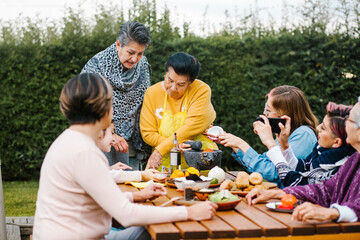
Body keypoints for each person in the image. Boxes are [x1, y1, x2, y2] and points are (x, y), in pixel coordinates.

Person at [33, 73, 217, 240]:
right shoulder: (84, 152)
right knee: (167, 232)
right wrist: (189, 212)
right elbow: (126, 215)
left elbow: (99, 198)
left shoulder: (69, 141)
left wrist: (138, 196)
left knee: (149, 230)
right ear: (102, 107)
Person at [246, 96, 360, 223]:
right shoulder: (354, 159)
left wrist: (333, 212)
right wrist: (280, 193)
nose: (318, 128)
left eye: (349, 121)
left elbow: (305, 182)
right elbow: (326, 189)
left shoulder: (344, 161)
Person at [82, 20, 152, 170]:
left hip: (133, 146)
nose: (135, 59)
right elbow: (84, 108)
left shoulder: (143, 65)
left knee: (134, 189)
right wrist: (109, 133)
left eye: (140, 53)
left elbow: (146, 102)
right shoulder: (97, 66)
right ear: (118, 45)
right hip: (101, 144)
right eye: (131, 52)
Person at [218, 85, 318, 187]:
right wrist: (234, 144)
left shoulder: (303, 135)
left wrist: (242, 145)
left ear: (284, 115)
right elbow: (261, 167)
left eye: (268, 110)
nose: (265, 114)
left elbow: (274, 173)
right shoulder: (284, 134)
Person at [140, 52, 217, 170]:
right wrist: (176, 146)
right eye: (170, 80)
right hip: (165, 165)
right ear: (165, 74)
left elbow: (191, 127)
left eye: (181, 84)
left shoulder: (201, 90)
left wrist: (161, 150)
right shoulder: (152, 93)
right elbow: (148, 133)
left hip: (202, 164)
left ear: (190, 83)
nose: (173, 88)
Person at [256, 102, 355, 187]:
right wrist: (284, 144)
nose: (318, 128)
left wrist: (271, 145)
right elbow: (300, 168)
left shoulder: (339, 170)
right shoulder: (320, 152)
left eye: (323, 128)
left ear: (336, 142)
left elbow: (299, 184)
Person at [95, 122, 167, 183]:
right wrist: (141, 175)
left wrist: (110, 169)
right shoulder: (87, 152)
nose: (113, 138)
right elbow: (103, 176)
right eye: (112, 133)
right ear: (100, 133)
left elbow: (98, 173)